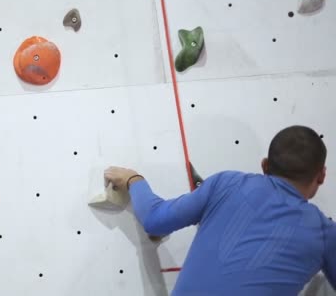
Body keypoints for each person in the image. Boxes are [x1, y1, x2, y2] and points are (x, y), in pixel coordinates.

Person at [105, 125, 336, 295]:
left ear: (265, 166)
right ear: (322, 176)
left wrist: (133, 179)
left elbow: (154, 220)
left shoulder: (227, 184)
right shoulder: (325, 235)